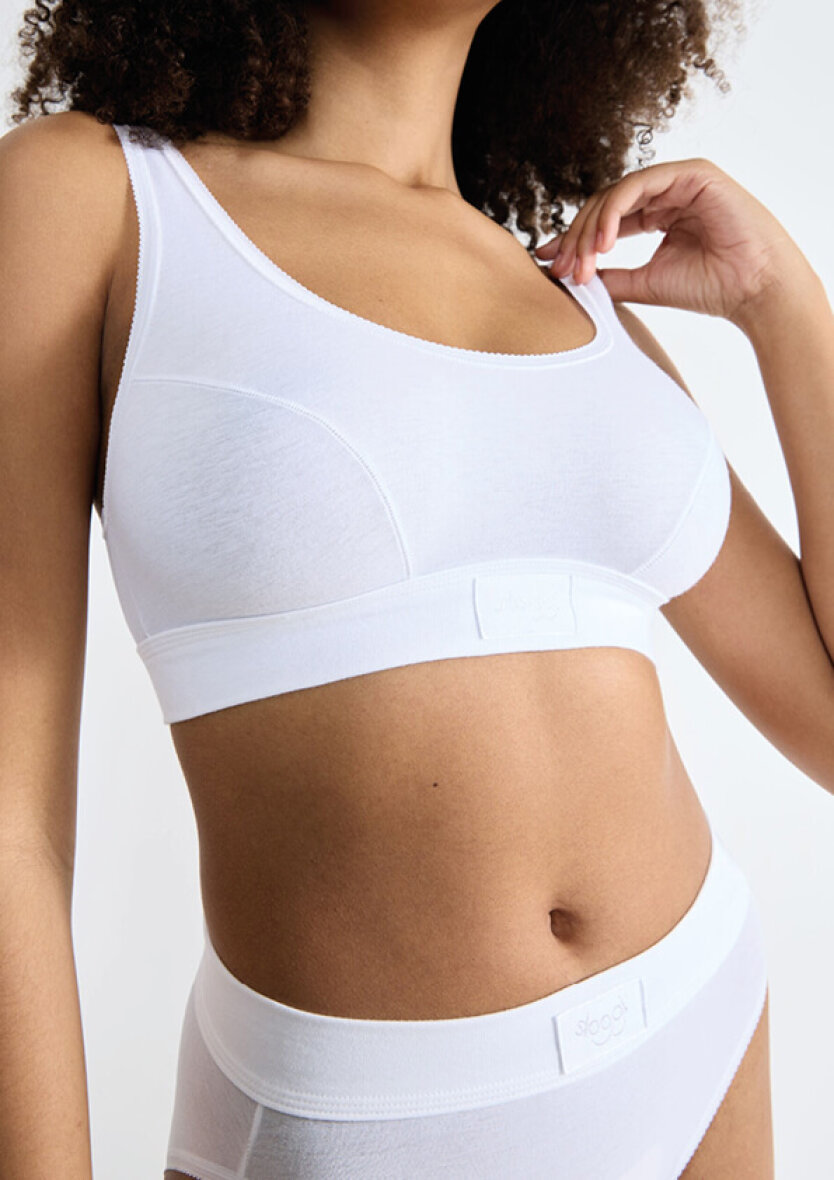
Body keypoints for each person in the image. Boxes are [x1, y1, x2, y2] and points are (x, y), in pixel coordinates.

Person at [1, 1, 832, 1176]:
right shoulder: (97, 194)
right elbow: (11, 816)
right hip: (356, 1118)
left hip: (699, 1031)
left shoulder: (571, 291)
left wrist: (783, 306)